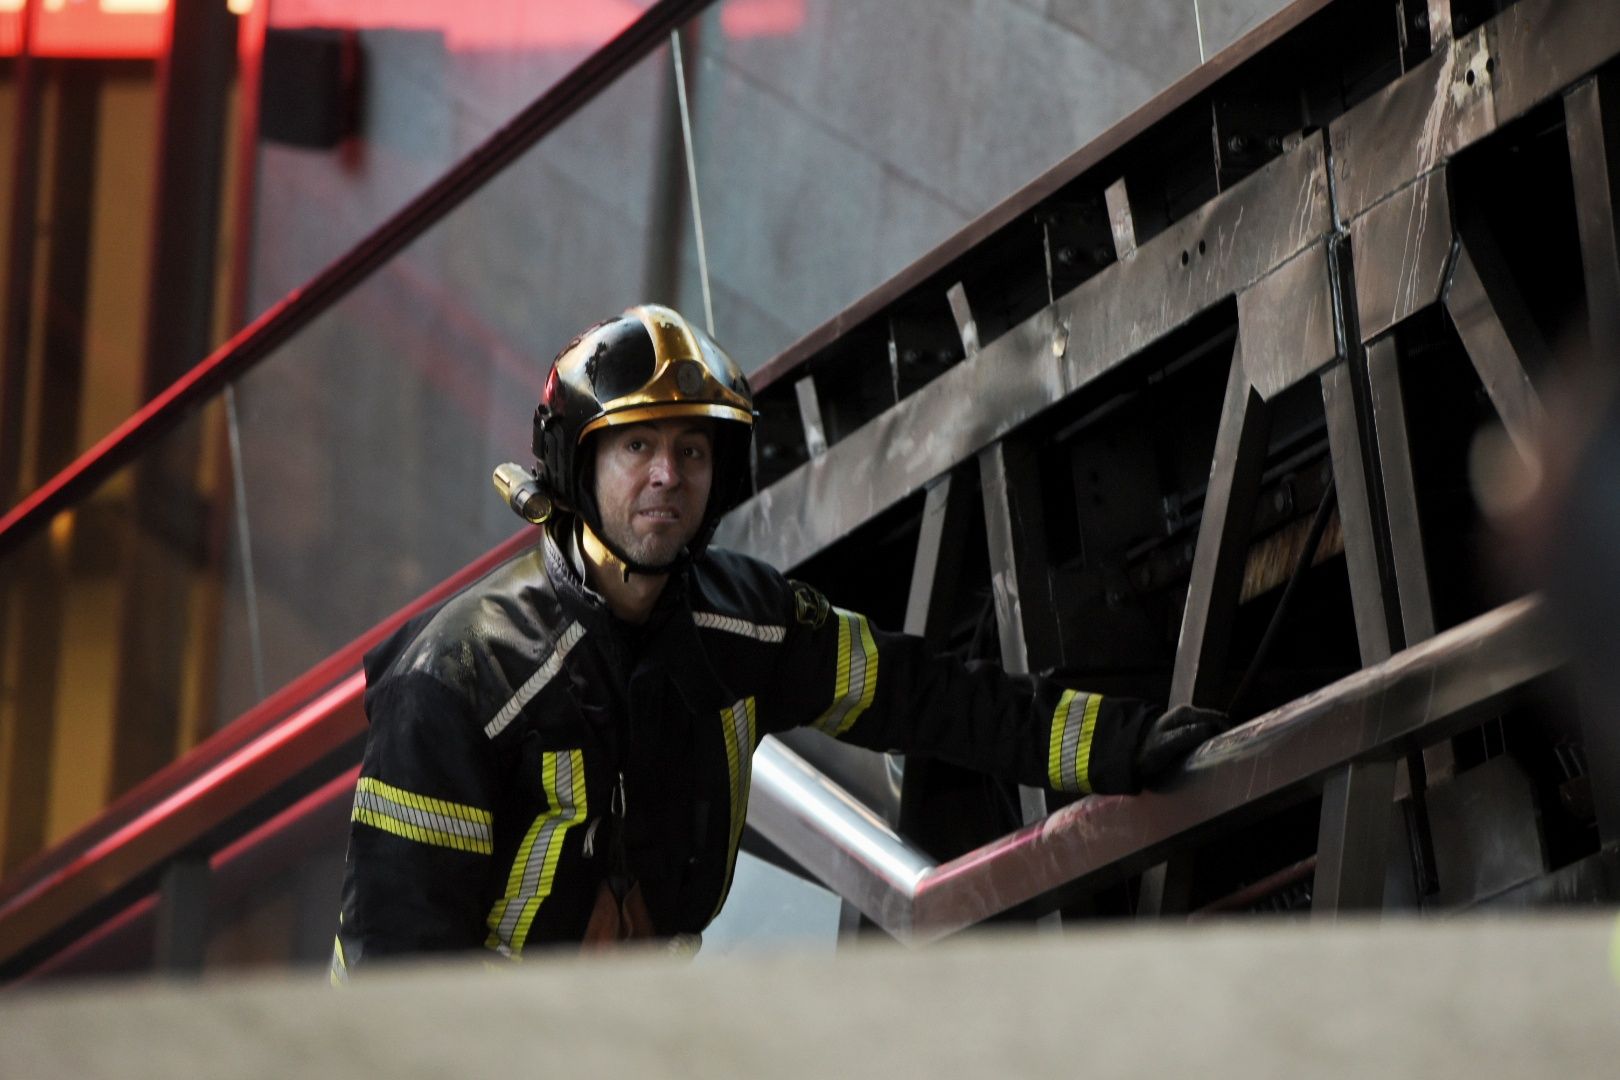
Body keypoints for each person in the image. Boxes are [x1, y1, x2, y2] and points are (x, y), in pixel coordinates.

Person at [332, 304, 1222, 975]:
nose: (666, 476)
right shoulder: (459, 678)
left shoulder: (740, 624)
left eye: (692, 450)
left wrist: (1117, 743)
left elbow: (925, 695)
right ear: (574, 464)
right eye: (636, 446)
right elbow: (398, 963)